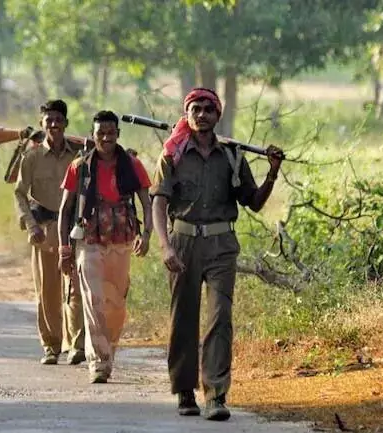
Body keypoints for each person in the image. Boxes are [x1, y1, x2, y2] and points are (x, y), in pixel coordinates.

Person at [149, 88, 284, 421]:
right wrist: (165, 245)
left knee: (219, 318)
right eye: (196, 108)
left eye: (209, 109)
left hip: (222, 245)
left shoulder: (233, 156)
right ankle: (184, 391)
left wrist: (272, 172)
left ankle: (216, 395)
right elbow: (159, 201)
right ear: (188, 112)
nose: (203, 114)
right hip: (183, 243)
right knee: (183, 318)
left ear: (218, 115)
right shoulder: (173, 153)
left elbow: (253, 201)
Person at [58, 110, 152, 384]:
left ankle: (108, 351)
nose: (106, 138)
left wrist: (145, 235)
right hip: (89, 241)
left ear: (118, 135)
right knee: (93, 300)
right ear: (93, 134)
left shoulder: (132, 164)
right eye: (101, 133)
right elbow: (65, 210)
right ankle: (99, 362)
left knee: (116, 305)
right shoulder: (80, 166)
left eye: (111, 133)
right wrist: (65, 248)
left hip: (122, 242)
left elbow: (147, 203)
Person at [14, 99, 85, 366]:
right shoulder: (31, 158)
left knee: (76, 287)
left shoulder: (78, 157)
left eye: (58, 120)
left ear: (65, 123)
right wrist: (30, 225)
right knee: (48, 290)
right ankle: (51, 346)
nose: (54, 125)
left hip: (73, 231)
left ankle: (77, 344)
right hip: (43, 231)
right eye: (49, 121)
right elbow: (20, 194)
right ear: (42, 124)